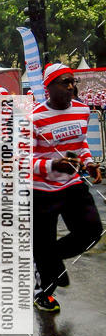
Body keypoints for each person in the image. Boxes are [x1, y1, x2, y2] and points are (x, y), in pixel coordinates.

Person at [32, 63, 102, 313]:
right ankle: (43, 294)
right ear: (49, 87)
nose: (71, 86)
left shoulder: (82, 110)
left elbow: (80, 142)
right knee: (44, 241)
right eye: (65, 82)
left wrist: (89, 161)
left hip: (72, 184)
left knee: (92, 231)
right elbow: (19, 160)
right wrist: (53, 165)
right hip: (41, 191)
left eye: (73, 82)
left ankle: (50, 258)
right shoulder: (34, 118)